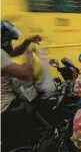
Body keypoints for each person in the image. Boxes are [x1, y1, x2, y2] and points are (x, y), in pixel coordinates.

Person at [1, 20, 56, 152]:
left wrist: (27, 42)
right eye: (10, 41)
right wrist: (29, 55)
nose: (11, 44)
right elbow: (25, 73)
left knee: (13, 141)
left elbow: (13, 53)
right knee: (47, 133)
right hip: (8, 106)